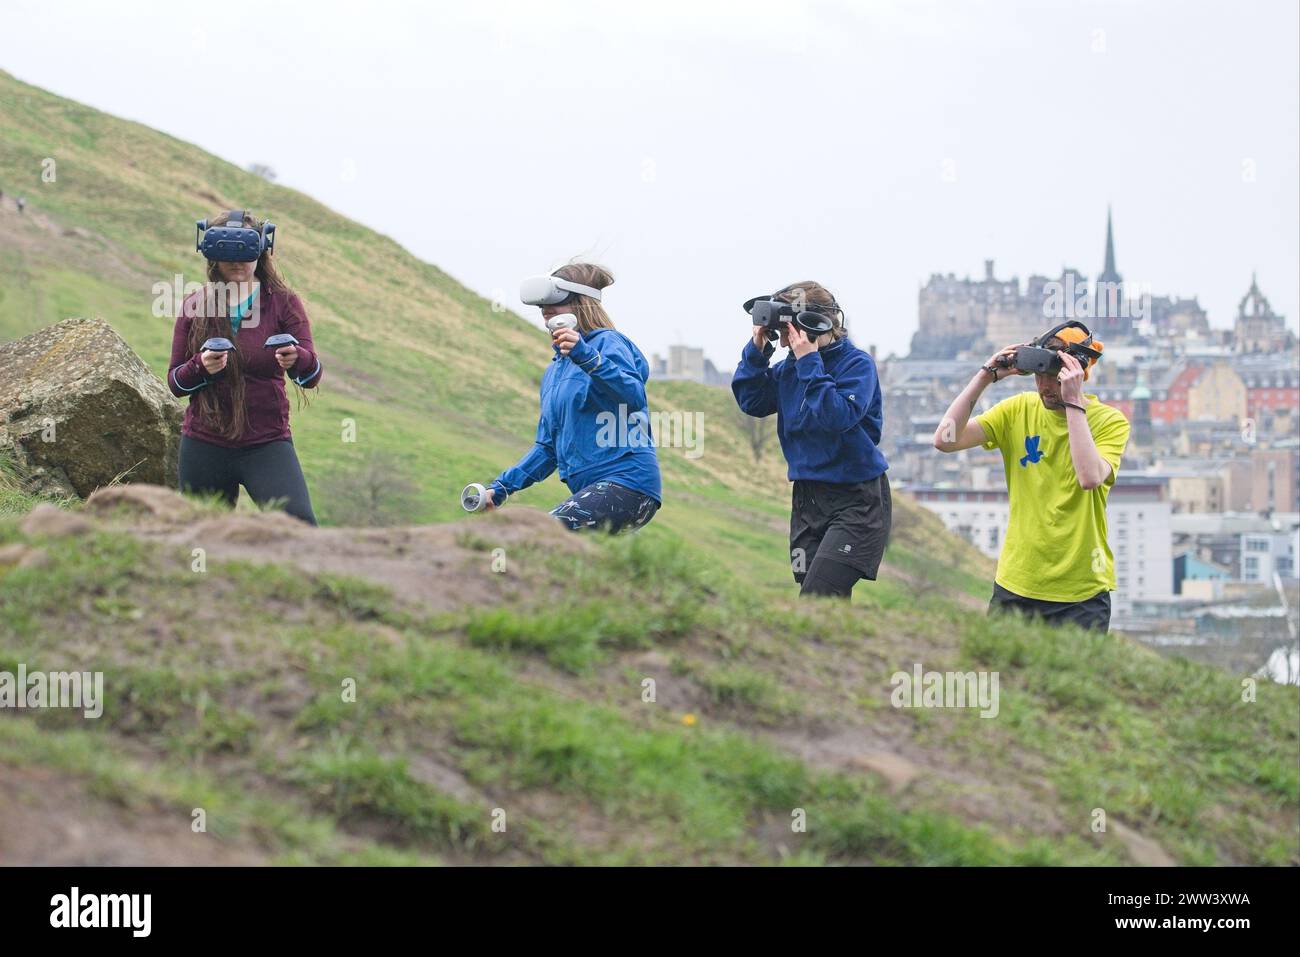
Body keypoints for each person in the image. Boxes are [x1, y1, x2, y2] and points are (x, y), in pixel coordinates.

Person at [932, 322, 1130, 631]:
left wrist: (1073, 402)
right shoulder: (1017, 410)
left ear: (1078, 375)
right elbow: (945, 439)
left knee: (1070, 680)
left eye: (1054, 376)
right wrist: (985, 376)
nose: (1045, 387)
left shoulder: (1109, 421)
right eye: (1040, 375)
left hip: (1081, 590)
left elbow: (1089, 477)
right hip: (1018, 582)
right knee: (1005, 677)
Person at [732, 282, 891, 599]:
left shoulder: (857, 365)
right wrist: (757, 350)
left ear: (821, 324)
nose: (790, 338)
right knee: (819, 600)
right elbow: (752, 401)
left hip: (856, 500)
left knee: (818, 597)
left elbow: (838, 416)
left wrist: (809, 361)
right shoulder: (789, 369)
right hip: (808, 500)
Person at [476, 262, 661, 532]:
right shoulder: (555, 371)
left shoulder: (608, 343)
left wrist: (586, 356)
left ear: (583, 304)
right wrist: (502, 488)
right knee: (557, 557)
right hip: (592, 490)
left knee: (540, 536)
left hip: (628, 484)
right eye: (542, 308)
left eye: (555, 304)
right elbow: (548, 448)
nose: (546, 311)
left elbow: (632, 396)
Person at [167, 209, 322, 524]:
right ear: (212, 253)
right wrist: (200, 366)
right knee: (201, 537)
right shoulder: (195, 305)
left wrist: (297, 359)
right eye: (226, 251)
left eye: (245, 251)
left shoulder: (283, 302)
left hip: (266, 442)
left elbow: (311, 376)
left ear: (261, 250)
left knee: (299, 526)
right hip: (204, 442)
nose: (236, 261)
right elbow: (175, 383)